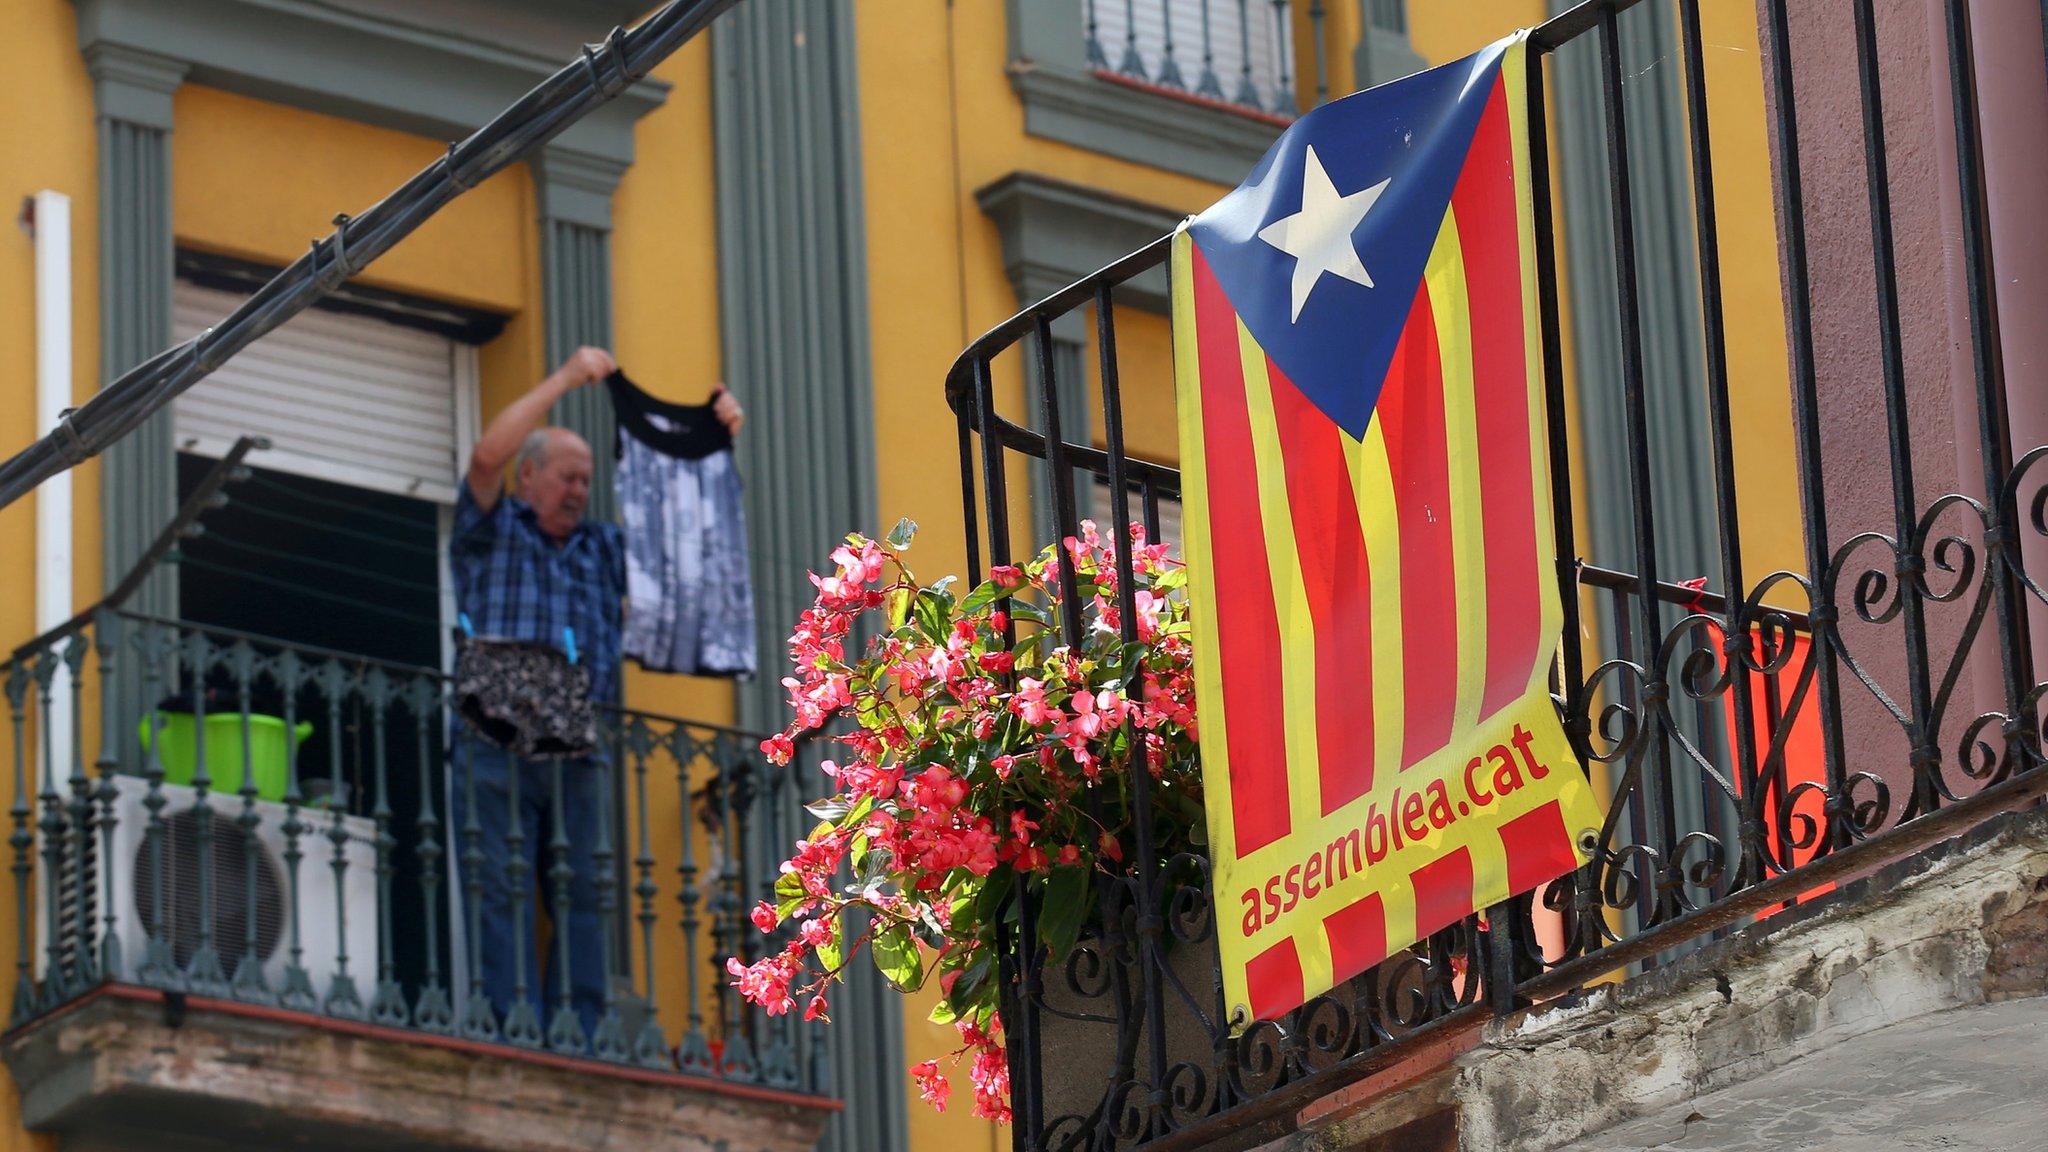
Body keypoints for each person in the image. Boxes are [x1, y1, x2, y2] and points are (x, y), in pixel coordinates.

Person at [449, 346, 742, 1041]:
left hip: (578, 736)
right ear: (531, 479)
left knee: (583, 886)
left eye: (585, 479)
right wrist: (566, 380)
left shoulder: (602, 549)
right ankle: (505, 1018)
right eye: (566, 477)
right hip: (494, 727)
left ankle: (578, 1024)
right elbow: (484, 458)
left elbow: (679, 536)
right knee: (498, 880)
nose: (579, 489)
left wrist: (716, 439)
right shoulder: (490, 530)